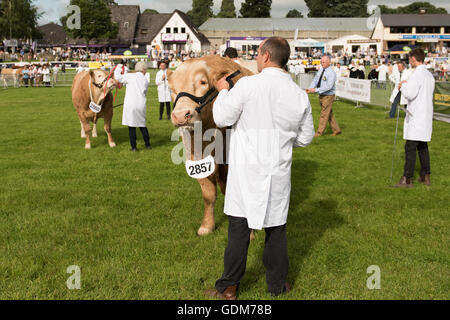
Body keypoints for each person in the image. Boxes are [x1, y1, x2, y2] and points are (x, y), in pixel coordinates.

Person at [205, 37, 315, 300]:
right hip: (277, 170)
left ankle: (229, 288)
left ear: (266, 56)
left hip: (246, 171)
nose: (255, 58)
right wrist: (282, 144)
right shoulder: (298, 95)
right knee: (276, 231)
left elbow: (222, 117)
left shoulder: (247, 85)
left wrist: (222, 91)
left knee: (238, 230)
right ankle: (276, 286)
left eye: (256, 53)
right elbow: (305, 137)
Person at [394, 48, 435, 188]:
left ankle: (407, 178)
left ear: (413, 59)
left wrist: (402, 86)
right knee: (423, 146)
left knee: (410, 147)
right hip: (425, 114)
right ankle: (425, 175)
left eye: (410, 59)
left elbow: (410, 94)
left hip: (416, 114)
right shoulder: (429, 75)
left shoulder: (416, 75)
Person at [114, 61, 152, 152]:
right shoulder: (145, 79)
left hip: (130, 104)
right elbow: (145, 92)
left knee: (131, 126)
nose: (145, 71)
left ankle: (134, 147)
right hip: (140, 104)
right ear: (143, 69)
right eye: (145, 69)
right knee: (142, 125)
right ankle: (148, 145)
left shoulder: (130, 76)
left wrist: (119, 67)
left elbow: (118, 77)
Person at [306, 55, 342, 137]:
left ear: (329, 62)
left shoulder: (331, 73)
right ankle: (336, 130)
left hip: (328, 95)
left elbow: (328, 87)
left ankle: (319, 132)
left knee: (324, 114)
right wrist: (310, 88)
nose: (322, 63)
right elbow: (316, 80)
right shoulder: (321, 70)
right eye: (321, 62)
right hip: (322, 94)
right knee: (328, 113)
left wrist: (315, 90)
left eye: (323, 62)